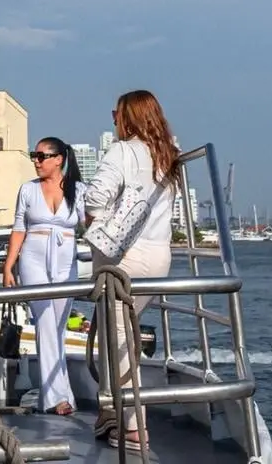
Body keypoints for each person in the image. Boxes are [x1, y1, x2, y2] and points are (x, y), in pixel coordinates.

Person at [82, 90, 182, 453]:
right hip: (160, 256)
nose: (113, 119)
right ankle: (111, 411)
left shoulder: (122, 151)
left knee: (120, 340)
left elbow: (94, 197)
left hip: (125, 258)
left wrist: (97, 222)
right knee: (119, 335)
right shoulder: (169, 154)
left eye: (117, 113)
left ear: (128, 117)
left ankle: (134, 428)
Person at [1, 137, 86, 415]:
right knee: (46, 322)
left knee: (58, 327)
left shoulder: (78, 190)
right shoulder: (28, 189)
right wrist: (8, 266)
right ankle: (57, 398)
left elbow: (91, 224)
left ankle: (57, 395)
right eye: (33, 155)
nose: (36, 161)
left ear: (58, 159)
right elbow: (18, 228)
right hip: (33, 259)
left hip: (66, 261)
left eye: (41, 156)